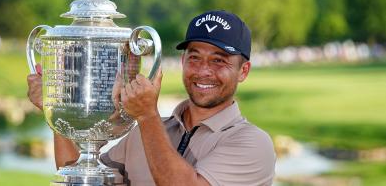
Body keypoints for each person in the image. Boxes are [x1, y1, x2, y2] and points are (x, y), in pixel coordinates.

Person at [27, 10, 276, 186]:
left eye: (219, 60)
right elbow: (80, 174)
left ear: (243, 71)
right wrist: (57, 107)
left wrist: (147, 115)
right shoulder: (144, 133)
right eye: (195, 57)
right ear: (183, 61)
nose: (203, 70)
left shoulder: (252, 143)